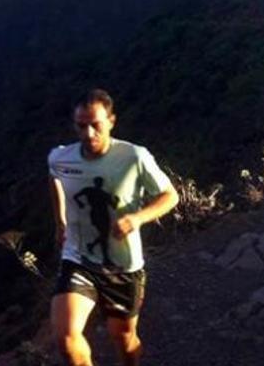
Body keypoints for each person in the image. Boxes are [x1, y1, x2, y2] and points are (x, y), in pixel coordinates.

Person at [49, 89, 178, 366]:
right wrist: (60, 222)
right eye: (81, 126)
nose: (88, 133)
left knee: (124, 339)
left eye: (95, 124)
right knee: (66, 339)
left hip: (123, 267)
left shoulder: (134, 157)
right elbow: (54, 178)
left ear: (111, 120)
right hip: (77, 259)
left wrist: (137, 218)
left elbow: (170, 195)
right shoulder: (60, 158)